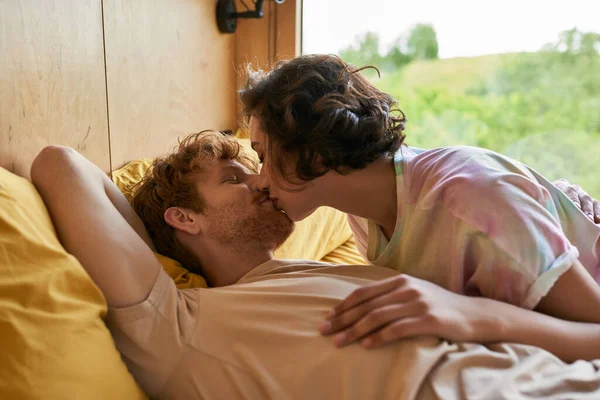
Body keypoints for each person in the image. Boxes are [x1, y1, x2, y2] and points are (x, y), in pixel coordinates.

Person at [30, 131, 600, 399]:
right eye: (234, 179)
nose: (260, 183)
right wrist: (158, 245)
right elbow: (60, 163)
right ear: (185, 219)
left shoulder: (332, 265)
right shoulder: (176, 325)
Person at [240, 54, 600, 353]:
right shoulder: (365, 216)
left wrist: (471, 315)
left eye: (262, 155)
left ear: (314, 153)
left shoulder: (473, 200)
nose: (258, 180)